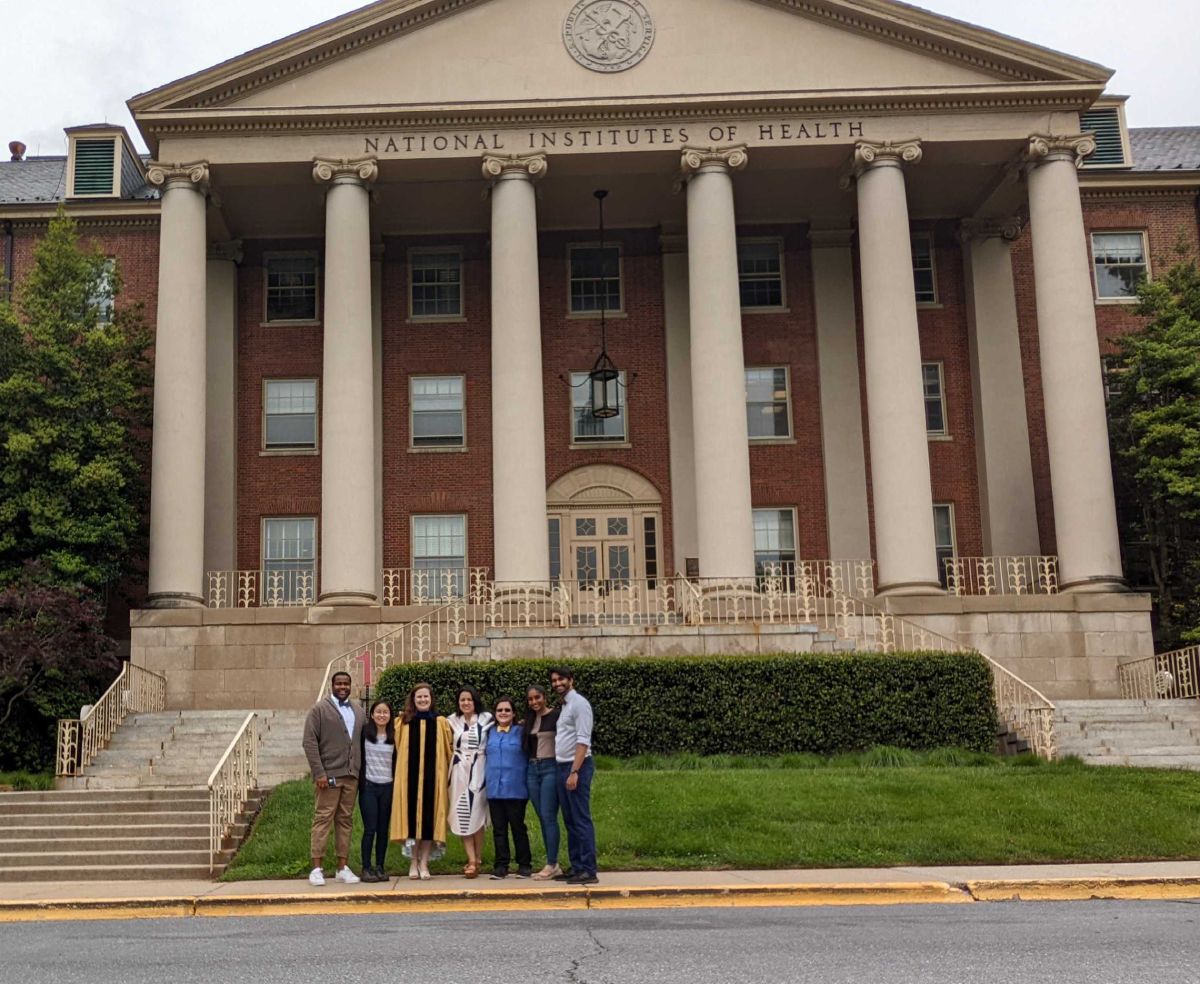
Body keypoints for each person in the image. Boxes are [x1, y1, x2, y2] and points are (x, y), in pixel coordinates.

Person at [301, 670, 365, 887]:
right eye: (338, 683)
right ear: (332, 685)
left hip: (351, 775)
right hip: (328, 775)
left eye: (346, 683)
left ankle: (341, 867)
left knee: (345, 820)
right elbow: (309, 742)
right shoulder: (319, 710)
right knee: (323, 819)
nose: (342, 687)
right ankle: (316, 868)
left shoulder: (358, 710)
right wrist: (319, 772)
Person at [389, 682, 453, 880]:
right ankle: (413, 862)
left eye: (426, 697)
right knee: (412, 821)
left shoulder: (441, 723)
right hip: (409, 779)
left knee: (428, 821)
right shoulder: (403, 722)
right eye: (419, 697)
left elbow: (449, 750)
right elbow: (397, 749)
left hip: (433, 780)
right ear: (413, 700)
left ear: (431, 699)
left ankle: (424, 863)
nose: (423, 700)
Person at [551, 667, 597, 885]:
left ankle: (589, 869)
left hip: (576, 766)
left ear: (571, 680)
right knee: (569, 820)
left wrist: (575, 771)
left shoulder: (580, 704)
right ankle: (577, 866)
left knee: (580, 819)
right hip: (562, 766)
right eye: (554, 680)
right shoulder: (565, 705)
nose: (557, 683)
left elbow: (583, 740)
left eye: (561, 679)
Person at [447, 686, 493, 878]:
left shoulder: (487, 719)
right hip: (459, 770)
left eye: (469, 699)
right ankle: (471, 860)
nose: (465, 703)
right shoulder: (451, 721)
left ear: (475, 701)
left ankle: (478, 857)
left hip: (480, 769)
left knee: (478, 813)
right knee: (461, 812)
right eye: (462, 700)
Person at [484, 696, 532, 879]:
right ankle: (501, 865)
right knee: (499, 829)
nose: (503, 713)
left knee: (518, 827)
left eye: (507, 710)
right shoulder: (489, 733)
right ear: (495, 714)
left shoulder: (521, 732)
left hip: (515, 789)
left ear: (513, 714)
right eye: (499, 710)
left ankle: (524, 864)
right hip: (494, 789)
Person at [524, 684, 563, 879]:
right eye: (531, 699)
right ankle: (552, 862)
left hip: (550, 768)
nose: (534, 702)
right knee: (542, 817)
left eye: (537, 698)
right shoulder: (529, 720)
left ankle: (552, 863)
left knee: (549, 816)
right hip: (532, 769)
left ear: (544, 697)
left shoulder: (556, 716)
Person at [358, 699, 396, 883]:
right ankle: (366, 867)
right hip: (369, 787)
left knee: (383, 829)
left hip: (387, 787)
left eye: (385, 712)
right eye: (378, 712)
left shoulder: (395, 736)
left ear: (390, 715)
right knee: (370, 829)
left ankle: (380, 866)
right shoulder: (364, 733)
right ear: (372, 714)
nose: (382, 715)